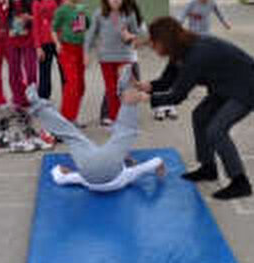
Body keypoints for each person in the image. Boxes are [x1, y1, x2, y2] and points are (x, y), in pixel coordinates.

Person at [139, 17, 254, 200]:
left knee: (216, 130)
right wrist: (147, 87)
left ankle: (240, 182)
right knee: (200, 116)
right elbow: (167, 80)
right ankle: (208, 168)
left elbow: (177, 96)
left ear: (166, 40)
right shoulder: (180, 50)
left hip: (248, 86)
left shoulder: (197, 54)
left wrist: (145, 99)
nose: (152, 47)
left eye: (154, 42)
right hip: (227, 85)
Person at [25, 71, 165, 192]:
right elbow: (58, 177)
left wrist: (159, 166)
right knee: (72, 135)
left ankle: (126, 89)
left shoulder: (126, 175)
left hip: (108, 169)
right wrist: (61, 170)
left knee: (125, 131)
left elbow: (154, 163)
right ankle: (38, 106)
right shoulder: (84, 180)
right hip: (88, 172)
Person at [86, 0, 144, 125]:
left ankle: (126, 118)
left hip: (125, 56)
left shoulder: (129, 14)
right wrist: (86, 53)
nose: (116, 0)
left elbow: (137, 35)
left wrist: (130, 36)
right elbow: (90, 35)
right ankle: (114, 118)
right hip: (106, 58)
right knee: (111, 90)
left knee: (126, 89)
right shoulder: (99, 13)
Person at [52, 0, 90, 124]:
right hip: (67, 50)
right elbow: (54, 29)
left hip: (79, 49)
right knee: (72, 85)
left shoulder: (80, 8)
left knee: (80, 86)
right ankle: (65, 120)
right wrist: (57, 43)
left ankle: (72, 117)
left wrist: (84, 16)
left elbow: (85, 27)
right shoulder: (61, 10)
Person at [5, 0, 37, 108]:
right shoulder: (5, 1)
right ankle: (18, 98)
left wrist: (28, 18)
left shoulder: (29, 0)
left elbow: (37, 18)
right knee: (14, 70)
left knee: (30, 69)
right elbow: (1, 19)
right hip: (12, 39)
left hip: (27, 38)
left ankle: (32, 97)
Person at [32, 0, 62, 99]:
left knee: (65, 73)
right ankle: (43, 102)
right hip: (44, 43)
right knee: (44, 74)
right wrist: (38, 47)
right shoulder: (37, 3)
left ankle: (68, 101)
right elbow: (36, 26)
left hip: (59, 42)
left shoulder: (61, 0)